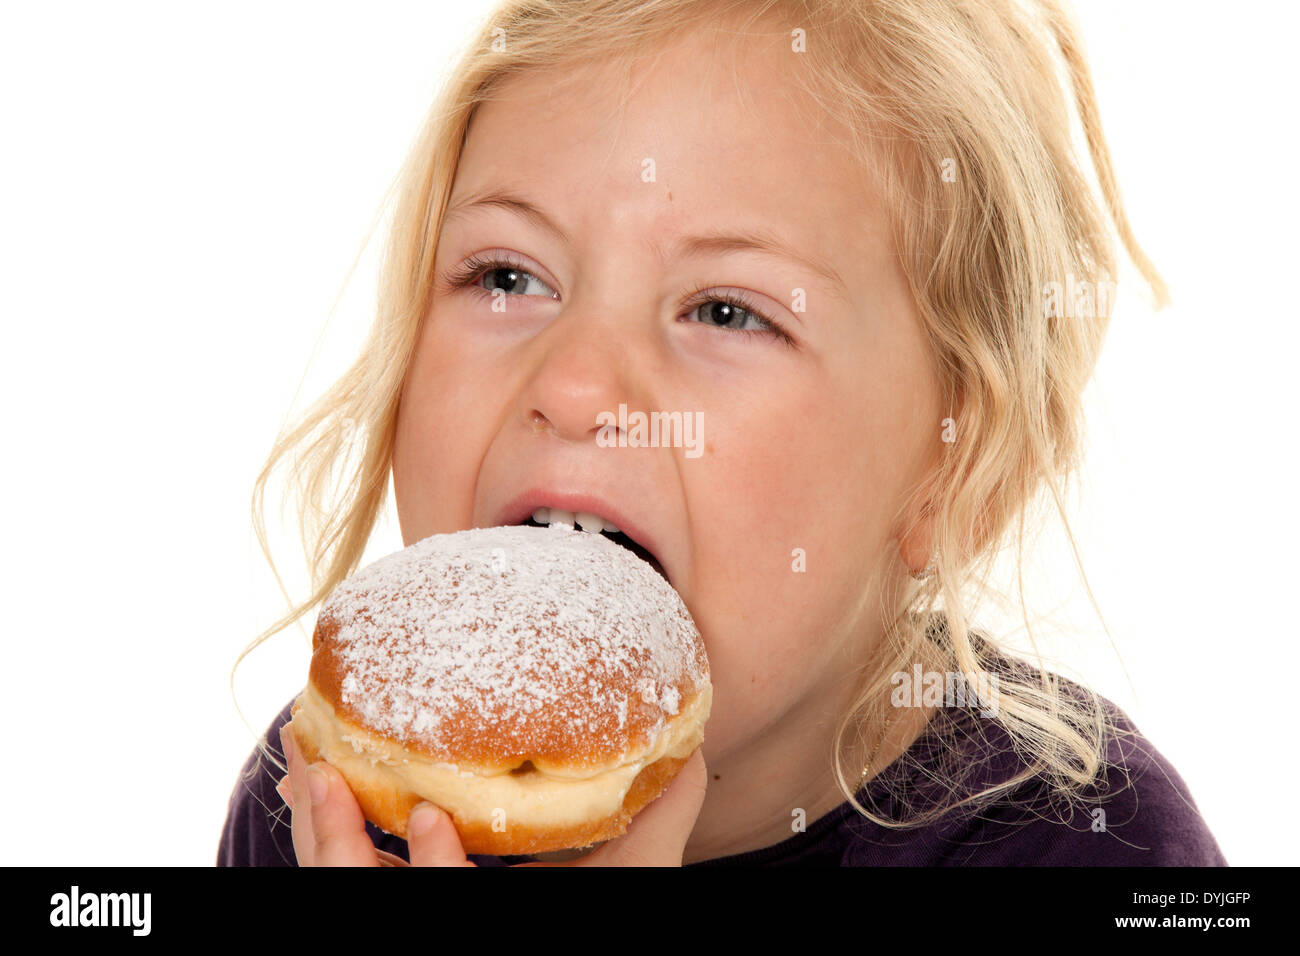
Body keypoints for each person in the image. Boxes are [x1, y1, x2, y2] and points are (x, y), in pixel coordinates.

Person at [219, 0, 1226, 867]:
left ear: (952, 473)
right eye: (507, 276)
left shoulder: (1096, 846)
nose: (573, 384)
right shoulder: (325, 802)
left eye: (726, 311)